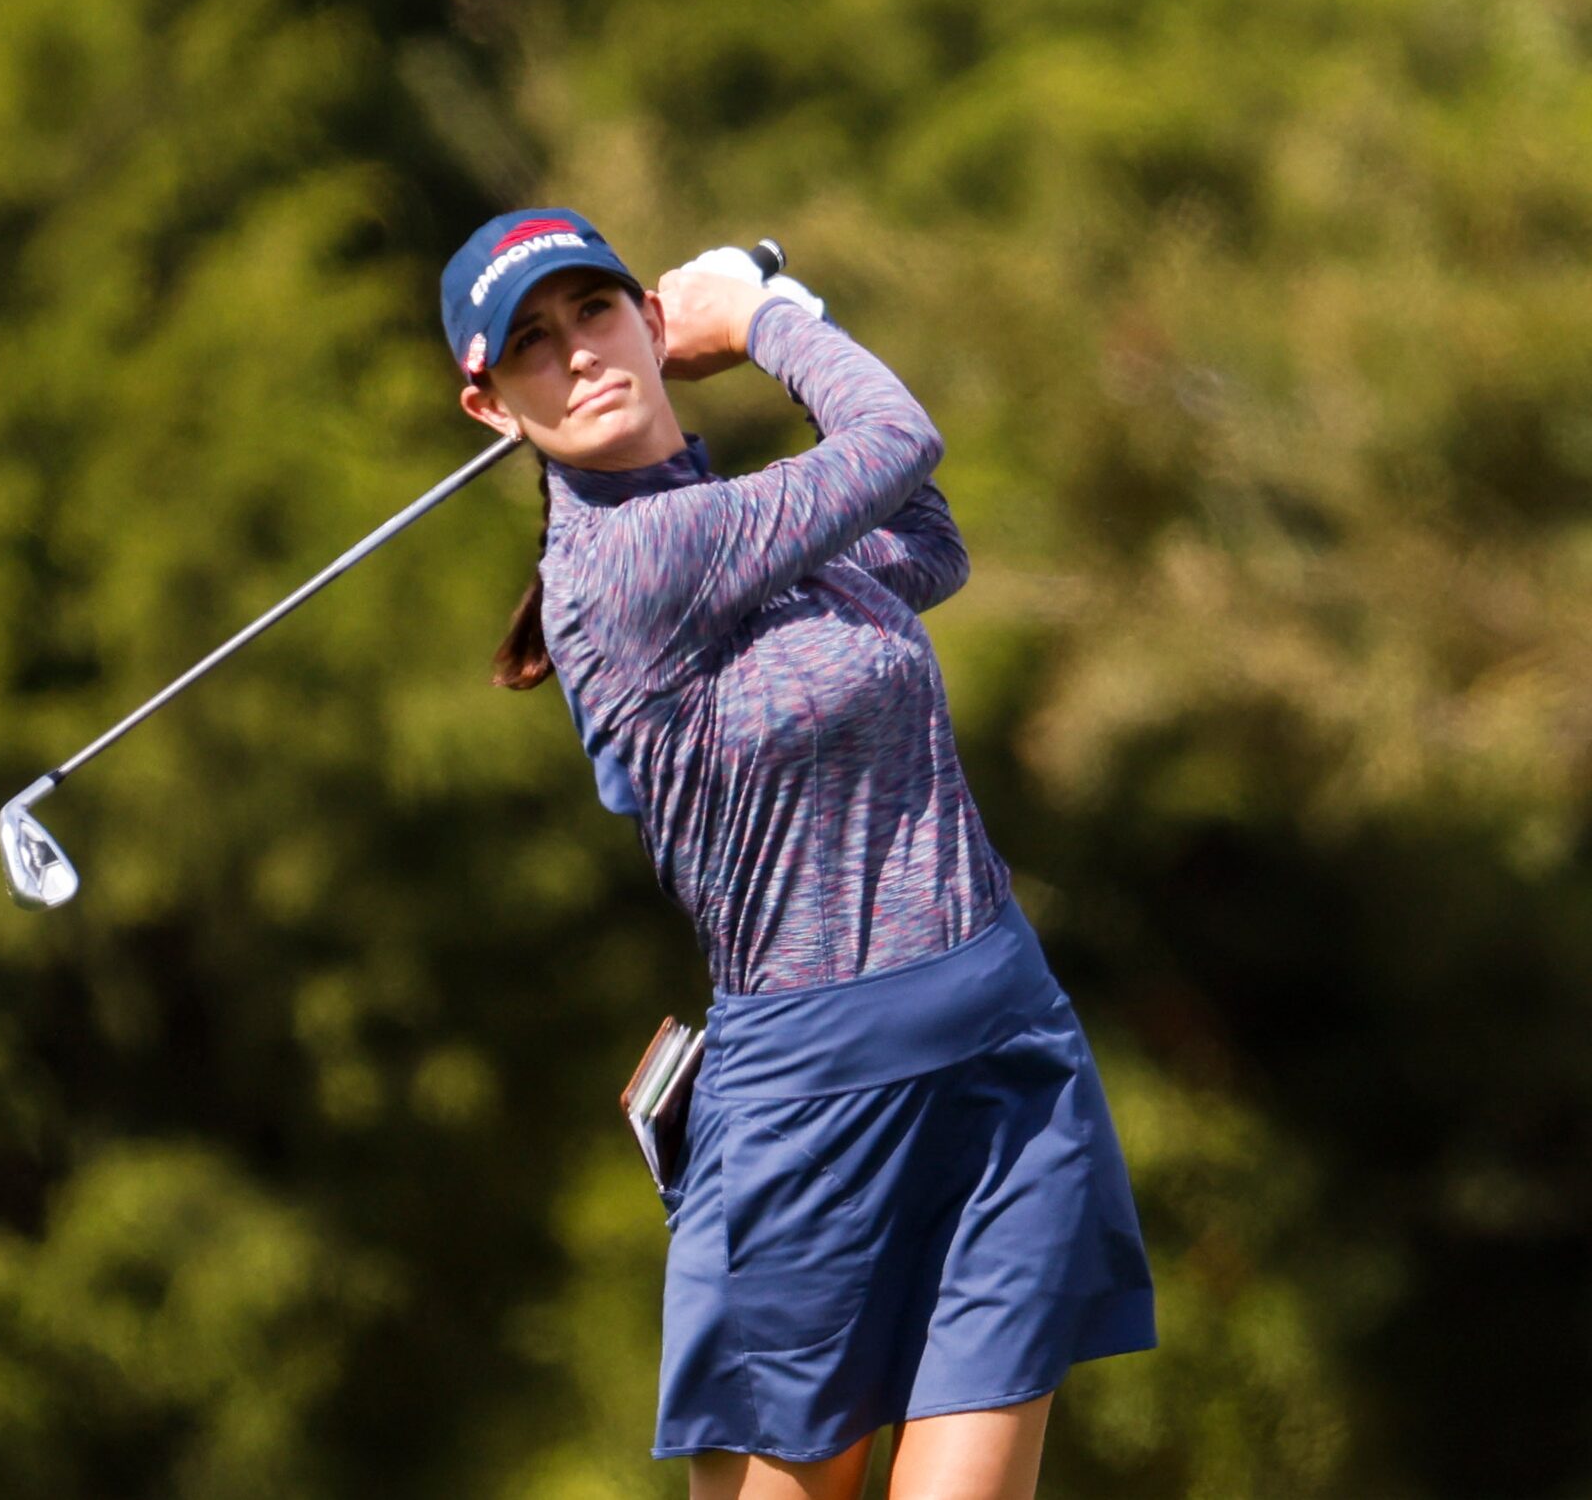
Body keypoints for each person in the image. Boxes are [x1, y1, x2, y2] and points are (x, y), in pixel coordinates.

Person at [440, 209, 1157, 1500]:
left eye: (597, 312)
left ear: (644, 326)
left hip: (1002, 1052)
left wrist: (762, 320)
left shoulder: (743, 531)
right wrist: (767, 318)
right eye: (534, 346)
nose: (581, 355)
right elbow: (894, 439)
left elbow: (926, 539)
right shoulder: (623, 563)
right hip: (816, 1108)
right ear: (491, 405)